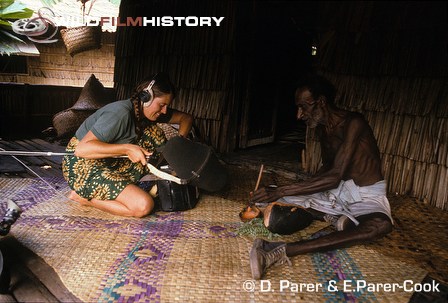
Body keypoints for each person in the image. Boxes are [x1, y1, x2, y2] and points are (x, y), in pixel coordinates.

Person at [249, 74, 393, 279]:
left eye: (303, 107)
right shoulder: (324, 130)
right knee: (274, 212)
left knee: (380, 226)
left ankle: (277, 250)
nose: (299, 115)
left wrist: (283, 190)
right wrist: (297, 187)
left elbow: (334, 176)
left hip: (365, 197)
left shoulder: (354, 123)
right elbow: (328, 168)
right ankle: (337, 217)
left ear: (322, 102)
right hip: (334, 193)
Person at [62, 72, 193, 217]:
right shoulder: (120, 113)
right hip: (82, 164)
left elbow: (185, 118)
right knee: (144, 206)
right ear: (146, 98)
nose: (164, 111)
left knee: (153, 133)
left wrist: (180, 143)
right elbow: (82, 150)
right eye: (162, 105)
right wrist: (127, 148)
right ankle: (83, 198)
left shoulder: (149, 112)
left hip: (110, 160)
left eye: (167, 106)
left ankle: (123, 185)